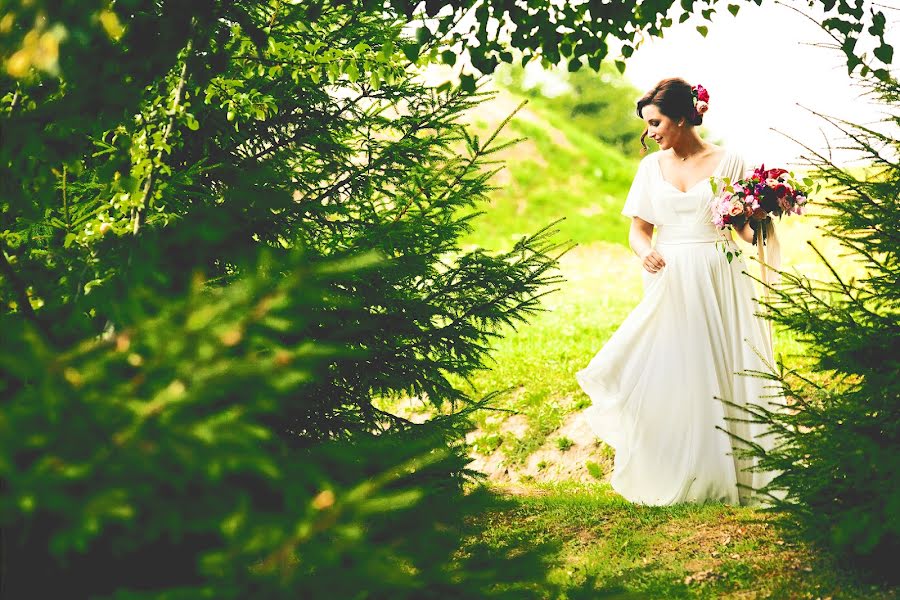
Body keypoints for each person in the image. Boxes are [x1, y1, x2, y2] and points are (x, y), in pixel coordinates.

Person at [575, 77, 782, 507]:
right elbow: (637, 230)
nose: (650, 133)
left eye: (656, 122)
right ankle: (680, 465)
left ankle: (736, 472)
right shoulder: (651, 169)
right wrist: (645, 252)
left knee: (724, 365)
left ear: (684, 116)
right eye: (648, 125)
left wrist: (762, 213)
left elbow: (743, 232)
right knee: (676, 367)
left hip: (719, 273)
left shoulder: (729, 161)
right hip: (669, 275)